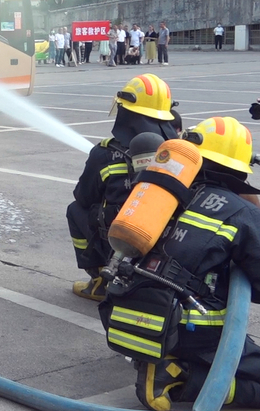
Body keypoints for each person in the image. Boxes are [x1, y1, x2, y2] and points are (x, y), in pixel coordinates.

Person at [100, 117, 260, 410]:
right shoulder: (240, 211)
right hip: (191, 331)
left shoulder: (160, 194)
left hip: (124, 309)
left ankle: (156, 358)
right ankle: (180, 377)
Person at [66, 75, 177, 300]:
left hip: (121, 242)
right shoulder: (181, 153)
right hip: (173, 243)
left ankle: (98, 280)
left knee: (75, 210)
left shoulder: (105, 153)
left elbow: (84, 197)